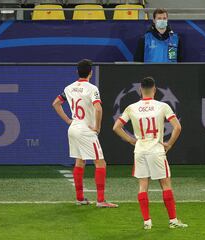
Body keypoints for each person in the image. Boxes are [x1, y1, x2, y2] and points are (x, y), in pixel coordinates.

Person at [113, 77, 187, 230]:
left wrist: (131, 140)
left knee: (142, 186)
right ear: (154, 90)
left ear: (140, 90)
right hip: (156, 149)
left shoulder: (132, 107)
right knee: (166, 185)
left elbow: (116, 127)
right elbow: (177, 127)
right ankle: (173, 220)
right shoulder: (162, 106)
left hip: (140, 150)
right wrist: (169, 144)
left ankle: (147, 221)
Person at [52, 59, 118, 208]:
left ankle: (80, 198)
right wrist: (97, 127)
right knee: (100, 162)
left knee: (80, 161)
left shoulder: (69, 88)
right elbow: (99, 108)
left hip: (74, 127)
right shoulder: (91, 88)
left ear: (77, 72)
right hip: (86, 130)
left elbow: (55, 103)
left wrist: (69, 120)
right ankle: (101, 200)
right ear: (91, 72)